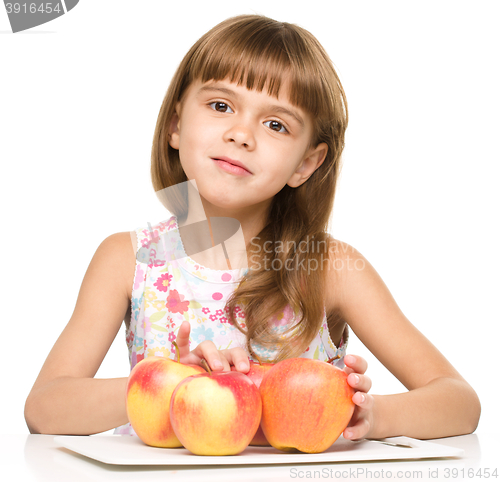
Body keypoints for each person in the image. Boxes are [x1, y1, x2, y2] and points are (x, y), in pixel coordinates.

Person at [24, 14, 480, 441]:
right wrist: (171, 385)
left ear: (306, 163)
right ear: (176, 123)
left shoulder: (330, 269)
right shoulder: (127, 260)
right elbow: (44, 409)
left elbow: (459, 402)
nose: (242, 134)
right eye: (221, 105)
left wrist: (375, 415)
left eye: (276, 124)